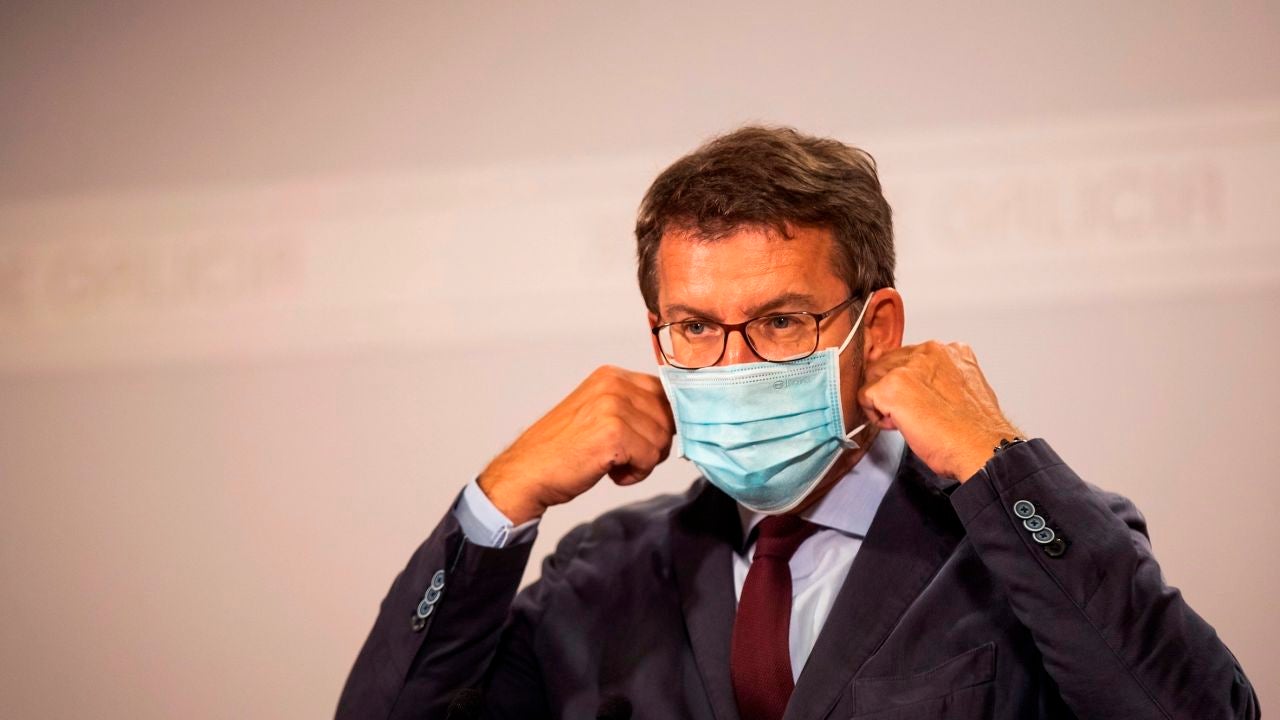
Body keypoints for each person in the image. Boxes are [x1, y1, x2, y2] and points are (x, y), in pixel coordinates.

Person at [336, 127, 1259, 720]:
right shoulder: (600, 578)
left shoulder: (1022, 545)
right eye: (695, 327)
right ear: (657, 337)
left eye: (781, 321)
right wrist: (501, 498)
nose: (734, 365)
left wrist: (993, 459)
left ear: (877, 328)